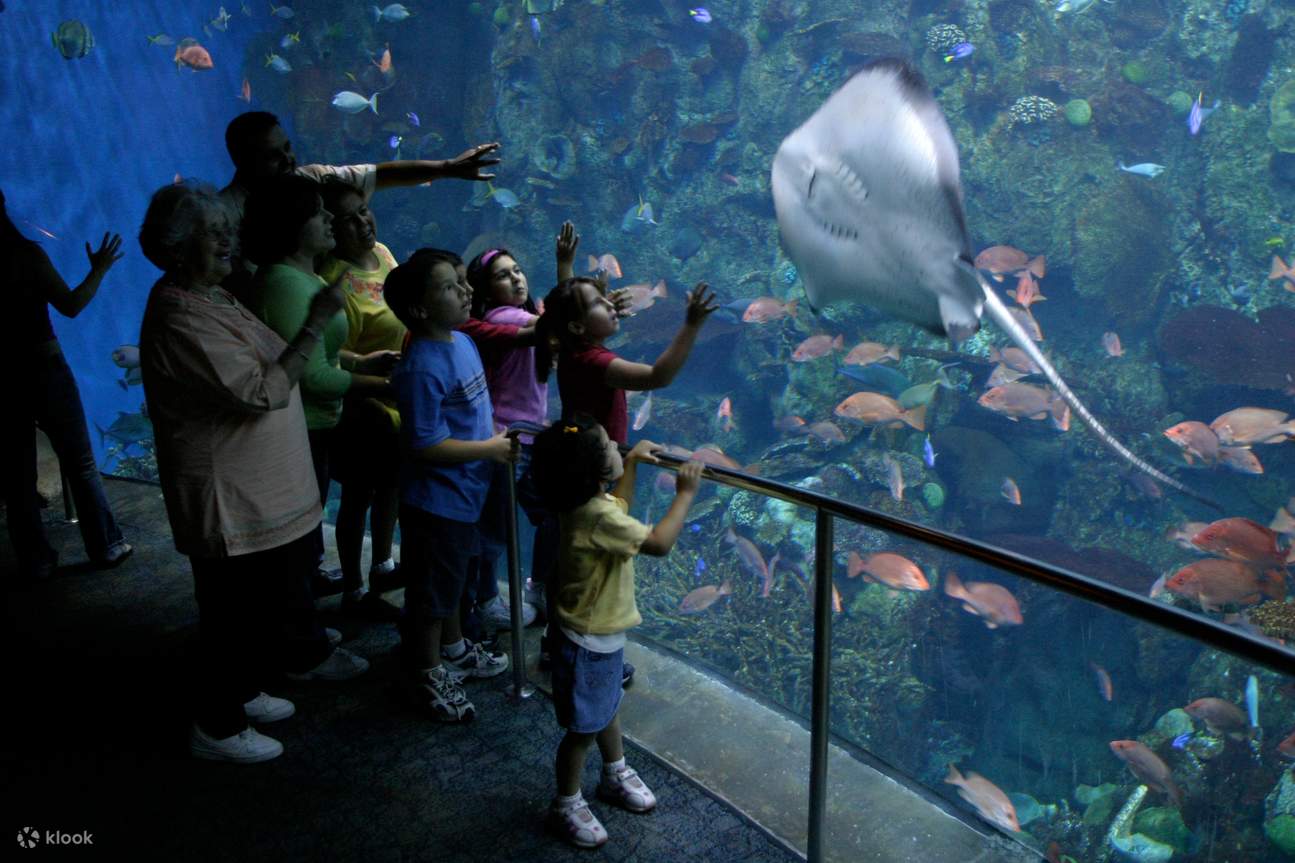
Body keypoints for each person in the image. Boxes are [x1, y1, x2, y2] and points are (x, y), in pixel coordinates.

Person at [137, 182, 369, 765]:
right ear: (176, 246)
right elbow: (261, 389)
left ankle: (241, 691)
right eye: (212, 233)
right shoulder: (179, 315)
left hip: (258, 488)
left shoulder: (211, 296)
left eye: (225, 229)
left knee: (257, 603)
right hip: (228, 494)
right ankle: (215, 724)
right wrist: (316, 323)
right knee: (229, 613)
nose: (227, 241)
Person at [530, 415, 703, 848]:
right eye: (611, 446)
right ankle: (565, 803)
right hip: (589, 640)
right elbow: (659, 543)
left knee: (606, 708)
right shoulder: (595, 516)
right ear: (593, 470)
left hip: (594, 634)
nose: (618, 447)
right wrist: (685, 494)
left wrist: (633, 463)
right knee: (582, 730)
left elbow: (617, 507)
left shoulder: (584, 505)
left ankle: (614, 772)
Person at [243, 174, 393, 598]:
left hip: (317, 426)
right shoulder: (285, 283)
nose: (328, 219)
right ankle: (302, 641)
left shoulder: (303, 277)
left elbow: (319, 352)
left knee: (309, 526)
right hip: (301, 428)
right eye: (318, 212)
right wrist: (379, 383)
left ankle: (307, 610)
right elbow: (310, 375)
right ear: (292, 224)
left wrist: (360, 360)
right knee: (299, 531)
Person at [383, 249, 516, 723]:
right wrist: (488, 450)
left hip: (466, 492)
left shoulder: (460, 341)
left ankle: (455, 649)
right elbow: (423, 443)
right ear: (419, 310)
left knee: (452, 580)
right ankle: (426, 668)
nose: (465, 291)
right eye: (449, 287)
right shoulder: (422, 364)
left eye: (462, 281)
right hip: (436, 501)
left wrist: (489, 441)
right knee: (431, 594)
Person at [218, 111, 500, 301]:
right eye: (272, 156)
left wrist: (447, 168)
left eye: (287, 148)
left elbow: (379, 174)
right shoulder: (225, 214)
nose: (288, 159)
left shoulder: (311, 177)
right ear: (243, 161)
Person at [0, 187, 132, 581]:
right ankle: (107, 545)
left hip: (2, 376)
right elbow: (71, 306)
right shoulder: (26, 254)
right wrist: (100, 269)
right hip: (45, 367)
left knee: (16, 474)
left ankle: (36, 560)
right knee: (81, 462)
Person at [316, 178, 405, 620]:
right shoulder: (330, 277)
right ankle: (352, 586)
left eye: (362, 211)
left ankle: (384, 567)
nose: (361, 223)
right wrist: (366, 363)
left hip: (396, 393)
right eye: (346, 219)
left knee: (392, 484)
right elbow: (326, 350)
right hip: (360, 403)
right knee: (358, 495)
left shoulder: (385, 254)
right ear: (329, 229)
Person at [534, 270, 718, 446]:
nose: (609, 304)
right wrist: (691, 325)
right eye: (598, 303)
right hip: (596, 460)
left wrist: (565, 261)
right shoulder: (596, 363)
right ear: (576, 327)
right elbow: (658, 376)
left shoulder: (570, 350)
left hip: (579, 448)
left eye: (605, 299)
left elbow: (564, 311)